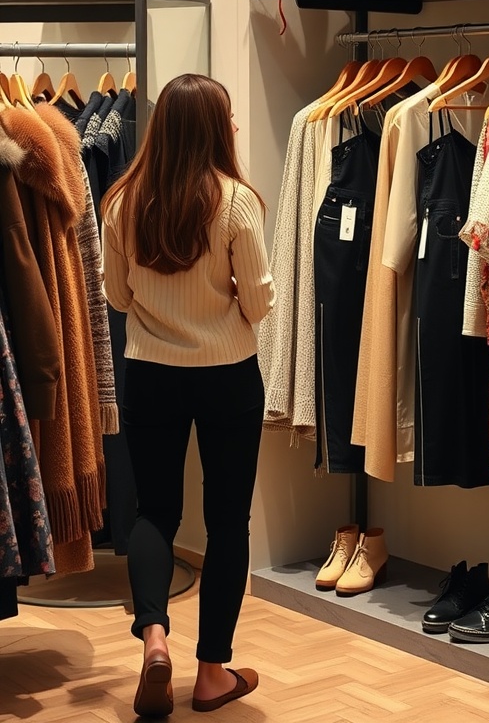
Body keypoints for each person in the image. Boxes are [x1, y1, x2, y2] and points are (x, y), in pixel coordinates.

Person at [101, 73, 275, 716]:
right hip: (227, 372)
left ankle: (153, 641)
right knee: (228, 520)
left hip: (150, 371)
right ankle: (210, 675)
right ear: (210, 127)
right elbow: (258, 304)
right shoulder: (236, 202)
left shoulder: (122, 200)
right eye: (228, 116)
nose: (233, 125)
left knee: (155, 514)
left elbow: (117, 298)